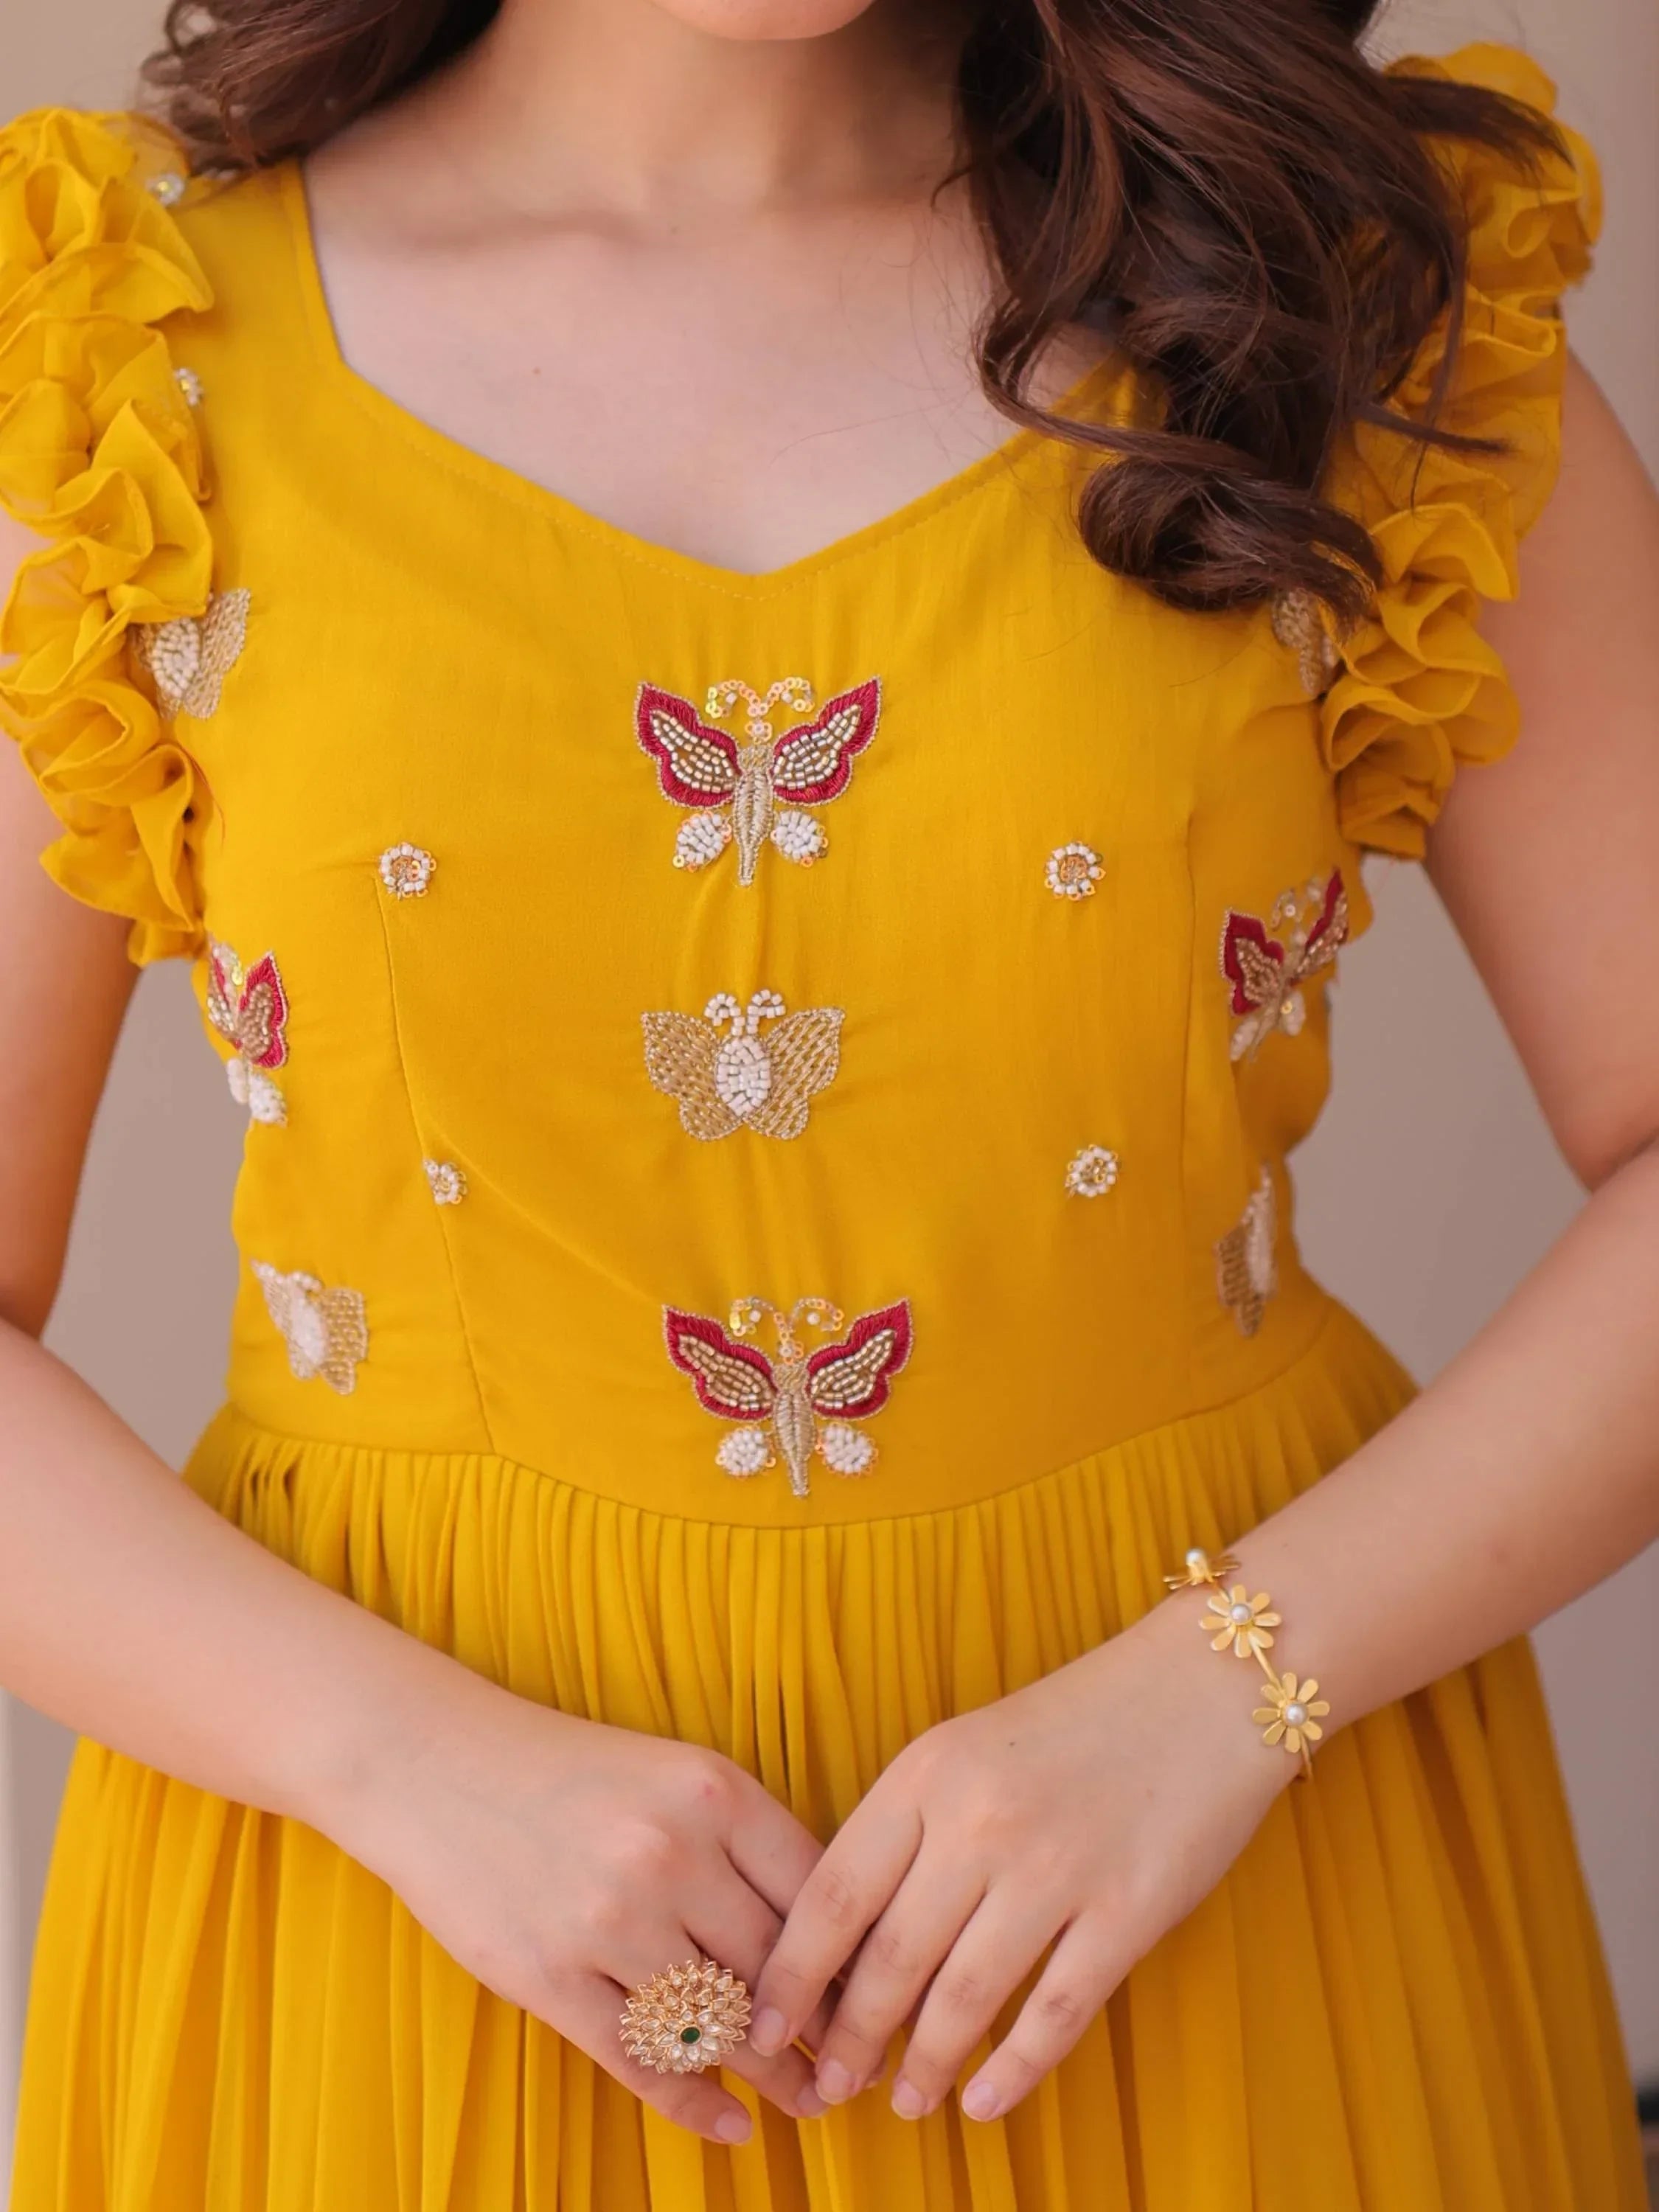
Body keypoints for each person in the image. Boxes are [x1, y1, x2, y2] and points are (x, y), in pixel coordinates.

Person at [0, 0, 1653, 2204]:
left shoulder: (1346, 296)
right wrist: (394, 1762)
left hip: (1219, 1876)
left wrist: (1228, 1688)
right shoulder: (113, 352)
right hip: (417, 1941)